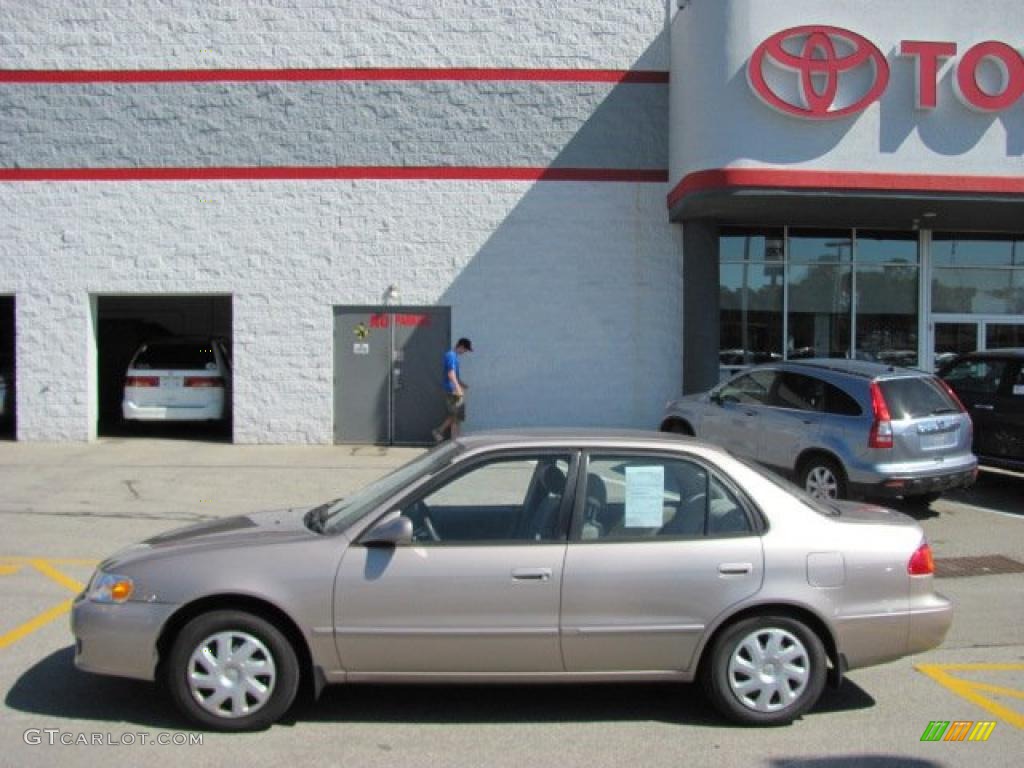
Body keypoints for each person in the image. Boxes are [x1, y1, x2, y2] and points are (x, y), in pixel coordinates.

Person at [432, 337, 472, 442]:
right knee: (455, 417)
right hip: (452, 390)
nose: (465, 352)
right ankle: (451, 439)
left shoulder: (453, 356)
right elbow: (451, 374)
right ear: (461, 346)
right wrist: (458, 388)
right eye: (465, 350)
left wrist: (462, 384)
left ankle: (448, 436)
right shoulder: (451, 356)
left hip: (454, 389)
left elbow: (455, 376)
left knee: (456, 416)